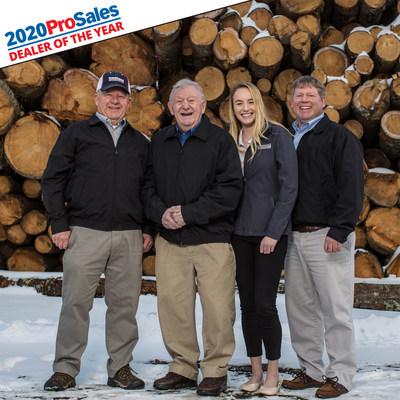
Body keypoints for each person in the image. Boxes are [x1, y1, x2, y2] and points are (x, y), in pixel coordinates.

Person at [41, 71, 153, 391]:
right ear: (97, 98)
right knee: (75, 302)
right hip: (84, 231)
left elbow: (149, 188)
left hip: (129, 235)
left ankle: (120, 368)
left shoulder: (139, 142)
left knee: (124, 305)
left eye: (121, 95)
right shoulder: (76, 134)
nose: (114, 100)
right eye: (109, 94)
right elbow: (52, 180)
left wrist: (146, 228)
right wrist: (59, 224)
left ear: (129, 101)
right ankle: (65, 368)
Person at [145, 79, 243, 397]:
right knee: (173, 306)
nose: (185, 106)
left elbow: (230, 190)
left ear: (203, 106)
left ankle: (215, 370)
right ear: (171, 108)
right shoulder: (159, 141)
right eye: (179, 101)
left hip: (211, 239)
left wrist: (188, 213)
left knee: (217, 309)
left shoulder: (219, 141)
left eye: (192, 100)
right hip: (171, 242)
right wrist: (161, 213)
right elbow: (146, 187)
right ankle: (183, 367)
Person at [282, 76, 364, 399]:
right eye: (298, 95)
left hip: (327, 235)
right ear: (291, 102)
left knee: (335, 308)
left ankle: (341, 373)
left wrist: (340, 229)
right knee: (300, 309)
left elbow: (352, 185)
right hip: (294, 236)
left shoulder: (338, 137)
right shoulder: (287, 138)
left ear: (323, 101)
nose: (304, 100)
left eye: (310, 95)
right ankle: (311, 370)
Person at [227, 82, 298, 396]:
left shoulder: (278, 136)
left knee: (265, 305)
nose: (245, 108)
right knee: (247, 307)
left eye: (250, 102)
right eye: (239, 103)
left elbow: (289, 189)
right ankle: (255, 373)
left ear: (258, 104)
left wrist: (273, 231)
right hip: (239, 234)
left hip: (269, 234)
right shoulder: (230, 141)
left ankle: (273, 374)